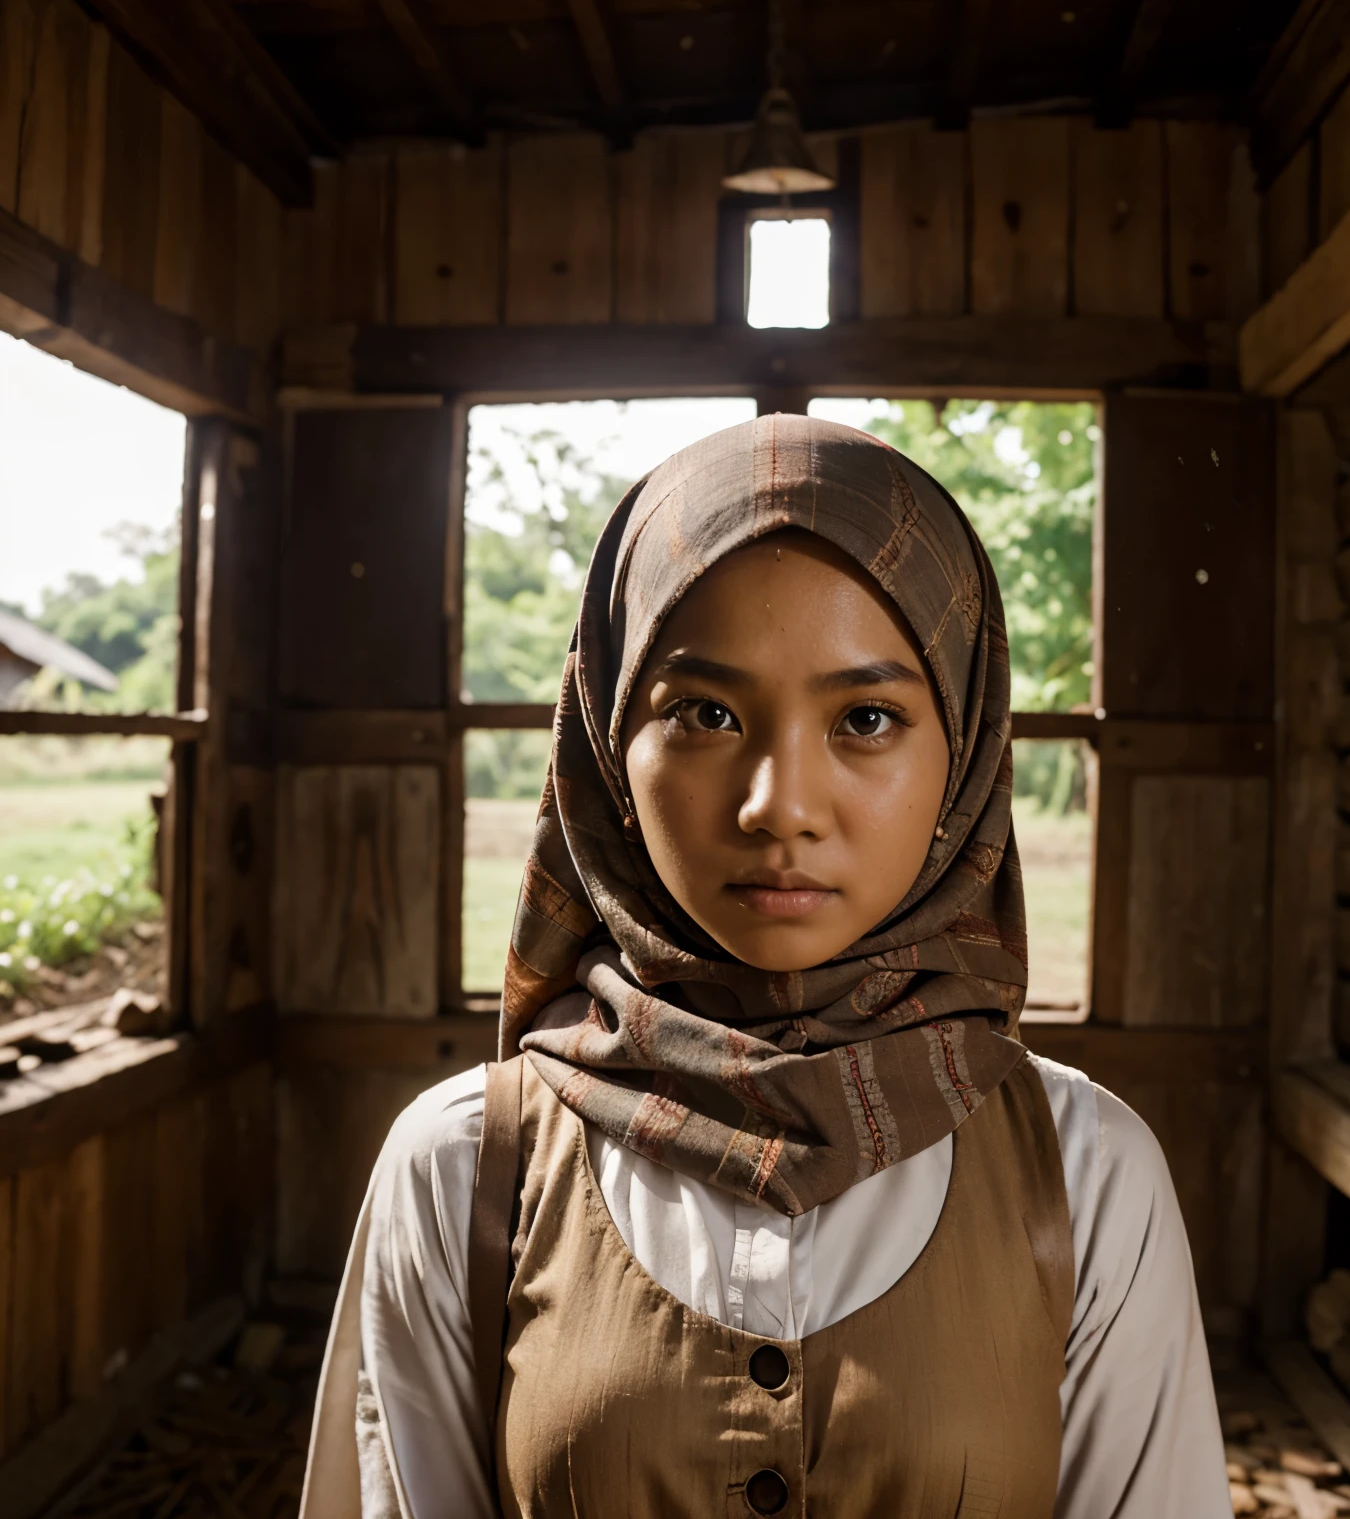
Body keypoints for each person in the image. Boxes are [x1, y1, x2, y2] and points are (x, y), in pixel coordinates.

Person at [301, 414, 1230, 1518]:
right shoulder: (464, 1167)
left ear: (967, 749)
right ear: (603, 739)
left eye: (868, 718)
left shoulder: (1086, 1174)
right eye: (704, 713)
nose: (777, 806)